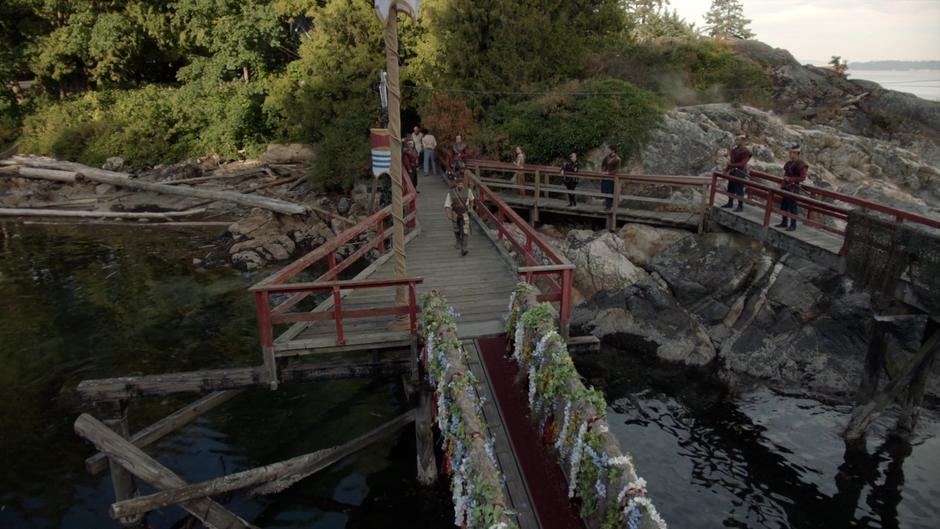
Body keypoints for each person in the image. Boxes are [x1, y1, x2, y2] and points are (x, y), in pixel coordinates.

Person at [778, 143, 808, 231]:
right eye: (790, 152)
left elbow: (802, 178)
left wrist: (790, 179)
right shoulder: (788, 163)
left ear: (797, 153)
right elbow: (786, 173)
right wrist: (785, 180)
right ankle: (784, 222)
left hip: (794, 188)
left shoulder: (802, 164)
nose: (790, 154)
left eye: (792, 153)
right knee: (784, 205)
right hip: (786, 186)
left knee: (793, 207)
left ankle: (793, 225)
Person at [444, 176, 474, 256]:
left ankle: (464, 248)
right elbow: (447, 205)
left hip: (464, 213)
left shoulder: (468, 191)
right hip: (455, 213)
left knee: (465, 231)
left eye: (461, 184)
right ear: (456, 184)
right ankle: (458, 241)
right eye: (459, 184)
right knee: (456, 229)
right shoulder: (451, 193)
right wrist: (448, 214)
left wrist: (470, 208)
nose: (460, 185)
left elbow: (471, 199)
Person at [722, 134, 752, 212]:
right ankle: (730, 202)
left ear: (743, 141)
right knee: (730, 187)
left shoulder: (746, 152)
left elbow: (742, 164)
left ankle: (740, 206)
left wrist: (731, 165)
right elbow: (731, 161)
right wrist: (726, 170)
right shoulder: (734, 150)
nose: (736, 141)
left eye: (738, 140)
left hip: (740, 172)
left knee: (739, 190)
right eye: (736, 139)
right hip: (733, 171)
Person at [600, 145, 621, 210]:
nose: (607, 151)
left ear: (613, 150)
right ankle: (607, 206)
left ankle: (609, 206)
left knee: (610, 191)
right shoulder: (607, 157)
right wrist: (603, 170)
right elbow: (603, 165)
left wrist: (608, 173)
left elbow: (617, 170)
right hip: (606, 177)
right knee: (606, 191)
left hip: (612, 178)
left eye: (609, 150)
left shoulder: (617, 159)